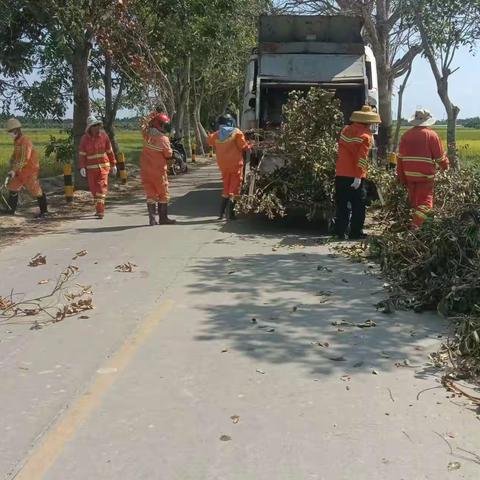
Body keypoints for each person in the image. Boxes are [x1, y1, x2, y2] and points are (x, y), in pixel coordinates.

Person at [334, 105, 381, 240]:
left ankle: (340, 232)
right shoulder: (366, 136)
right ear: (368, 122)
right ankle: (355, 232)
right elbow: (362, 158)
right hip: (354, 176)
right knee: (358, 206)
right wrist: (358, 176)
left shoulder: (345, 130)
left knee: (342, 204)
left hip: (341, 173)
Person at [397, 109, 449, 228]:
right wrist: (446, 167)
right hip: (425, 176)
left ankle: (421, 226)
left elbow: (400, 158)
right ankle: (415, 228)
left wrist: (402, 178)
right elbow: (440, 158)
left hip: (409, 175)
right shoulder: (431, 135)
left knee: (416, 202)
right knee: (425, 203)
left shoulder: (406, 135)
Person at [208, 114, 250, 220]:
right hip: (235, 165)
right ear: (231, 122)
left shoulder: (216, 134)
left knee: (226, 188)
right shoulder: (237, 132)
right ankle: (231, 215)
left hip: (223, 166)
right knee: (235, 188)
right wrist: (249, 146)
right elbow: (243, 146)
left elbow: (209, 141)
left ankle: (221, 214)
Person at [4, 118, 48, 218]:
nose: (9, 134)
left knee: (36, 190)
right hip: (20, 170)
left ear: (16, 130)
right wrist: (11, 161)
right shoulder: (17, 141)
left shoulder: (25, 141)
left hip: (30, 171)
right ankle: (11, 211)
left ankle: (44, 211)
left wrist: (14, 170)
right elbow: (16, 154)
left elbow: (25, 159)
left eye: (10, 132)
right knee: (13, 188)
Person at [140, 112, 176, 226]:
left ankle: (152, 219)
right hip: (158, 172)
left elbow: (144, 126)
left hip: (145, 171)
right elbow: (168, 155)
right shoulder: (163, 139)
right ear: (160, 125)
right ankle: (163, 218)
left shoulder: (147, 135)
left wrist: (149, 118)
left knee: (150, 195)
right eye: (164, 125)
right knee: (163, 194)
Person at [79, 117, 117, 219]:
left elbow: (109, 151)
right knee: (94, 190)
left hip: (104, 167)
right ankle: (98, 209)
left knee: (101, 188)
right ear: (90, 127)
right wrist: (82, 167)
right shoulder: (84, 139)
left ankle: (101, 211)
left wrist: (113, 164)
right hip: (91, 169)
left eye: (97, 125)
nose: (97, 127)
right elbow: (82, 154)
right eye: (94, 126)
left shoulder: (104, 136)